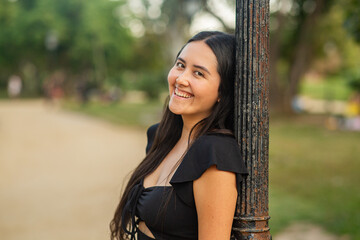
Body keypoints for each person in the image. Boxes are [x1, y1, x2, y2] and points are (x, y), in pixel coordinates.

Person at [110, 31, 248, 240]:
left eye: (199, 73)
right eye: (181, 65)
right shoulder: (161, 135)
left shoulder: (215, 156)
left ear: (222, 92)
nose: (181, 79)